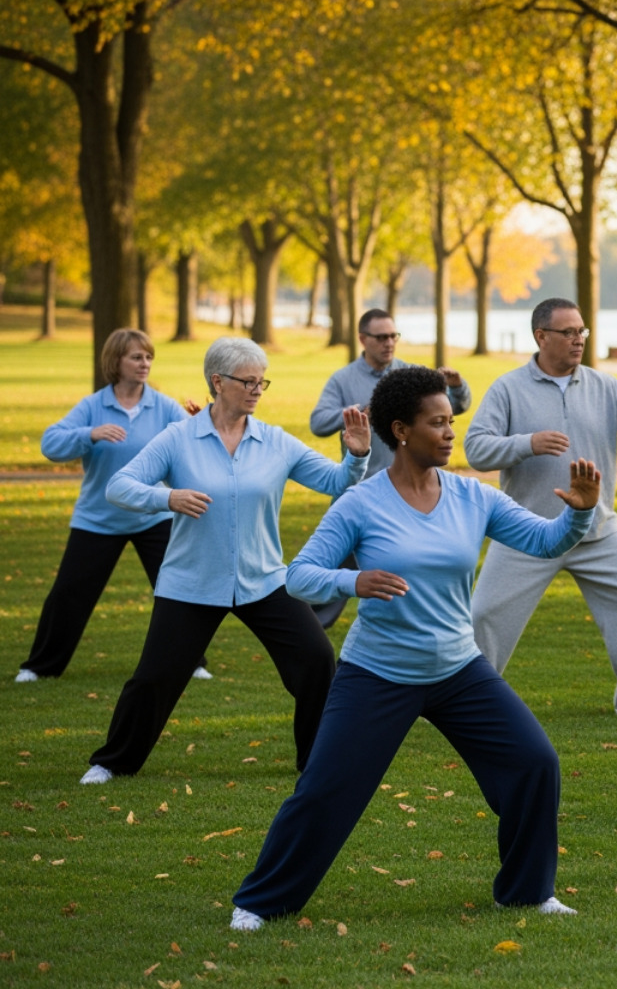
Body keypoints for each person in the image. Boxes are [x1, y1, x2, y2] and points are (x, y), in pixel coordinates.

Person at [229, 368, 597, 930]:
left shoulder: (473, 495)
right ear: (400, 430)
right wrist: (355, 582)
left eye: (453, 421)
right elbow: (298, 575)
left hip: (458, 669)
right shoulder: (361, 504)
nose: (451, 433)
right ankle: (259, 902)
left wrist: (579, 512)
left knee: (534, 763)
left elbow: (546, 542)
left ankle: (525, 892)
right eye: (438, 423)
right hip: (377, 672)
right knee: (326, 790)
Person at [79, 337, 371, 785]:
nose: (257, 389)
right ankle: (112, 761)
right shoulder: (178, 437)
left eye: (262, 382)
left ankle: (315, 758)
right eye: (248, 381)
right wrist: (167, 497)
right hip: (191, 582)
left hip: (266, 580)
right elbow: (119, 486)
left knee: (316, 659)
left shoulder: (274, 441)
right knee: (154, 679)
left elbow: (335, 482)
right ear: (218, 381)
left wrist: (355, 454)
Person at [466, 298, 617, 720]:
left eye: (582, 332)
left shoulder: (603, 386)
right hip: (525, 531)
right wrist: (526, 443)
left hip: (596, 529)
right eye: (568, 332)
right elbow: (476, 448)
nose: (578, 340)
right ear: (541, 336)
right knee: (483, 614)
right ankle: (467, 704)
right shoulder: (508, 388)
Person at [18, 329, 213, 683]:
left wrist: (201, 422)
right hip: (98, 519)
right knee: (68, 595)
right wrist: (89, 434)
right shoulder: (93, 406)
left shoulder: (163, 406)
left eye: (149, 357)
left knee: (180, 589)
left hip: (153, 516)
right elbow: (50, 443)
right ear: (115, 361)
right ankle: (38, 667)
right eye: (136, 357)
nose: (145, 364)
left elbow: (199, 445)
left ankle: (192, 662)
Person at [308, 308, 472, 628]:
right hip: (356, 495)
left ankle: (412, 631)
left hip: (404, 497)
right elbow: (317, 422)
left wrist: (458, 386)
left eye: (393, 336)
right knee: (329, 579)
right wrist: (358, 411)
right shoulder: (343, 379)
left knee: (407, 573)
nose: (389, 343)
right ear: (362, 339)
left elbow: (454, 408)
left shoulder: (409, 376)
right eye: (381, 337)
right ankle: (308, 634)